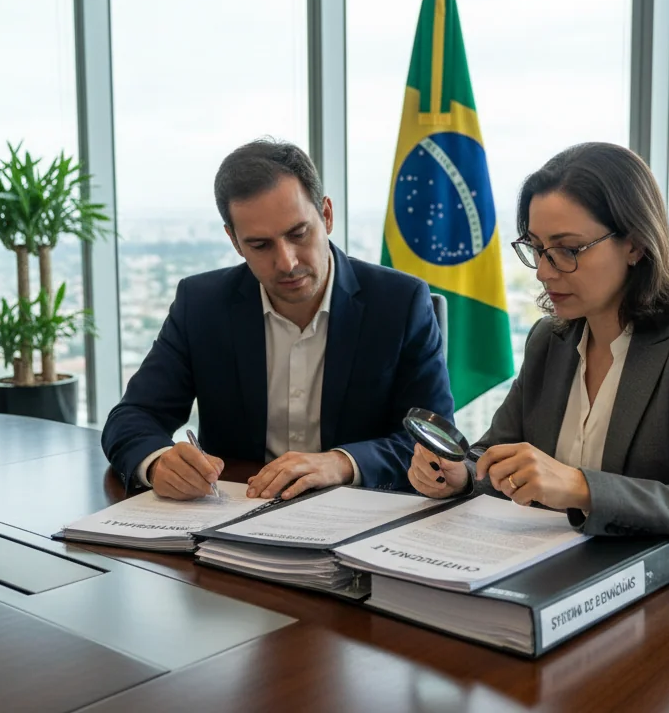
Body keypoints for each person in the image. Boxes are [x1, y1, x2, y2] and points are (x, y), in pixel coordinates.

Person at [408, 142, 669, 589]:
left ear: (634, 244)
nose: (544, 271)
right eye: (536, 248)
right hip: (577, 580)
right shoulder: (550, 340)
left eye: (567, 249)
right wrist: (461, 475)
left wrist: (581, 488)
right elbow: (494, 452)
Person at [104, 139, 453, 502]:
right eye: (260, 245)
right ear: (234, 241)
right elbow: (133, 416)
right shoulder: (201, 304)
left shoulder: (400, 303)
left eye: (298, 234)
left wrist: (342, 463)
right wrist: (158, 463)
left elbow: (434, 442)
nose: (287, 262)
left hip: (359, 513)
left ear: (326, 215)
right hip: (237, 512)